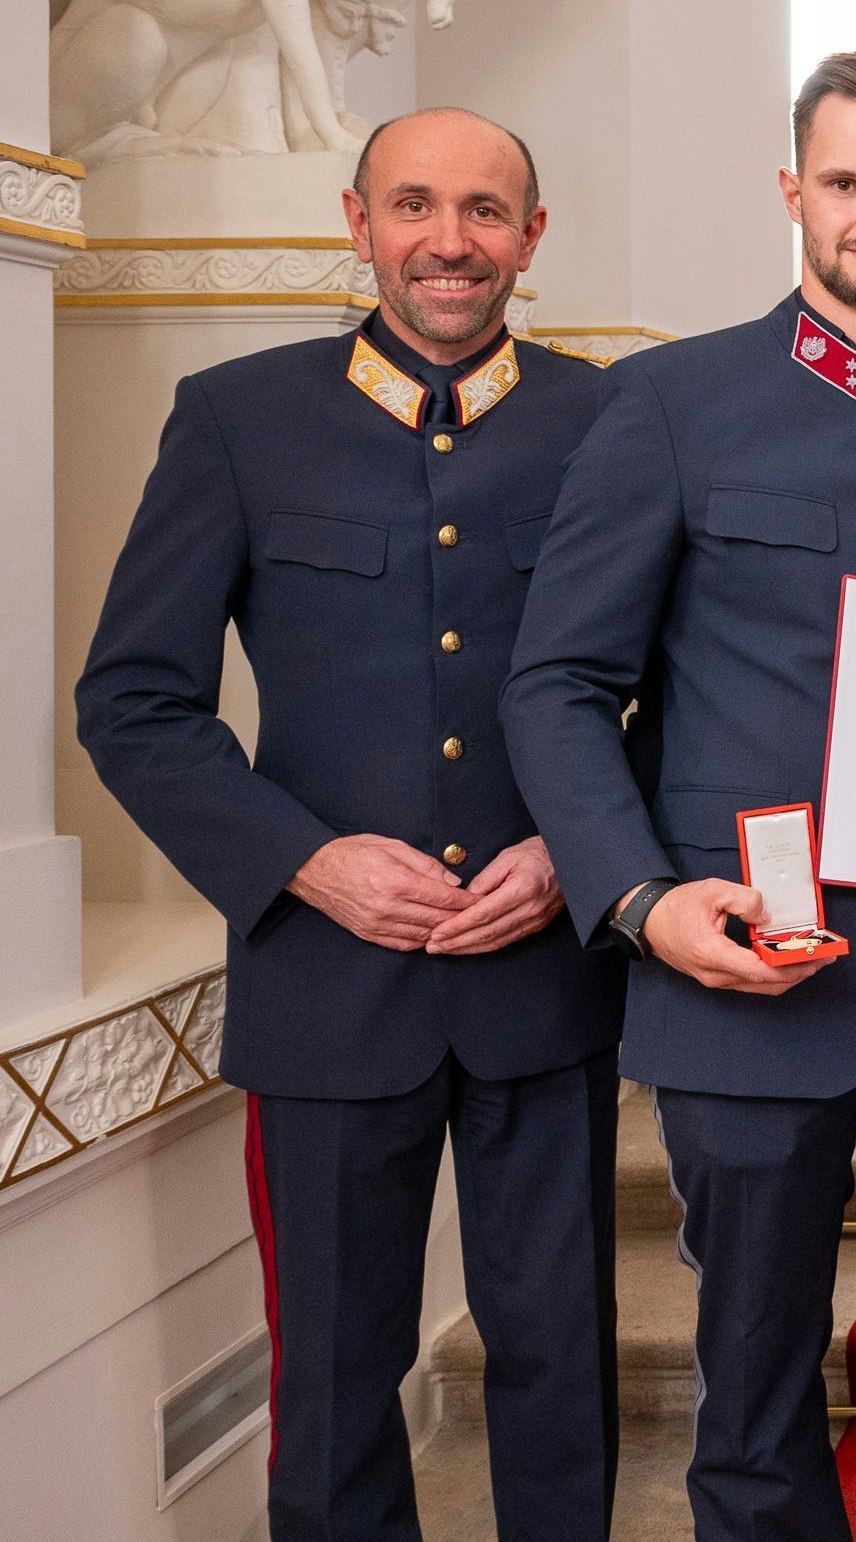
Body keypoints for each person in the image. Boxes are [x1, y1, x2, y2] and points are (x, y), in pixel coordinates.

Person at [500, 52, 856, 1542]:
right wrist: (640, 900)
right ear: (793, 192)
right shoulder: (671, 404)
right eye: (843, 182)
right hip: (747, 957)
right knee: (756, 1398)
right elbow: (557, 684)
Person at [74, 109, 623, 1542]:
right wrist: (306, 862)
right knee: (329, 1388)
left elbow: (672, 686)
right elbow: (133, 701)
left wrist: (576, 852)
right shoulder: (236, 418)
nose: (450, 240)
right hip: (326, 990)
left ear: (532, 236)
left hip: (545, 976)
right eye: (415, 205)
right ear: (357, 219)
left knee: (563, 1372)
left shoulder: (609, 420)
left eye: (486, 211)